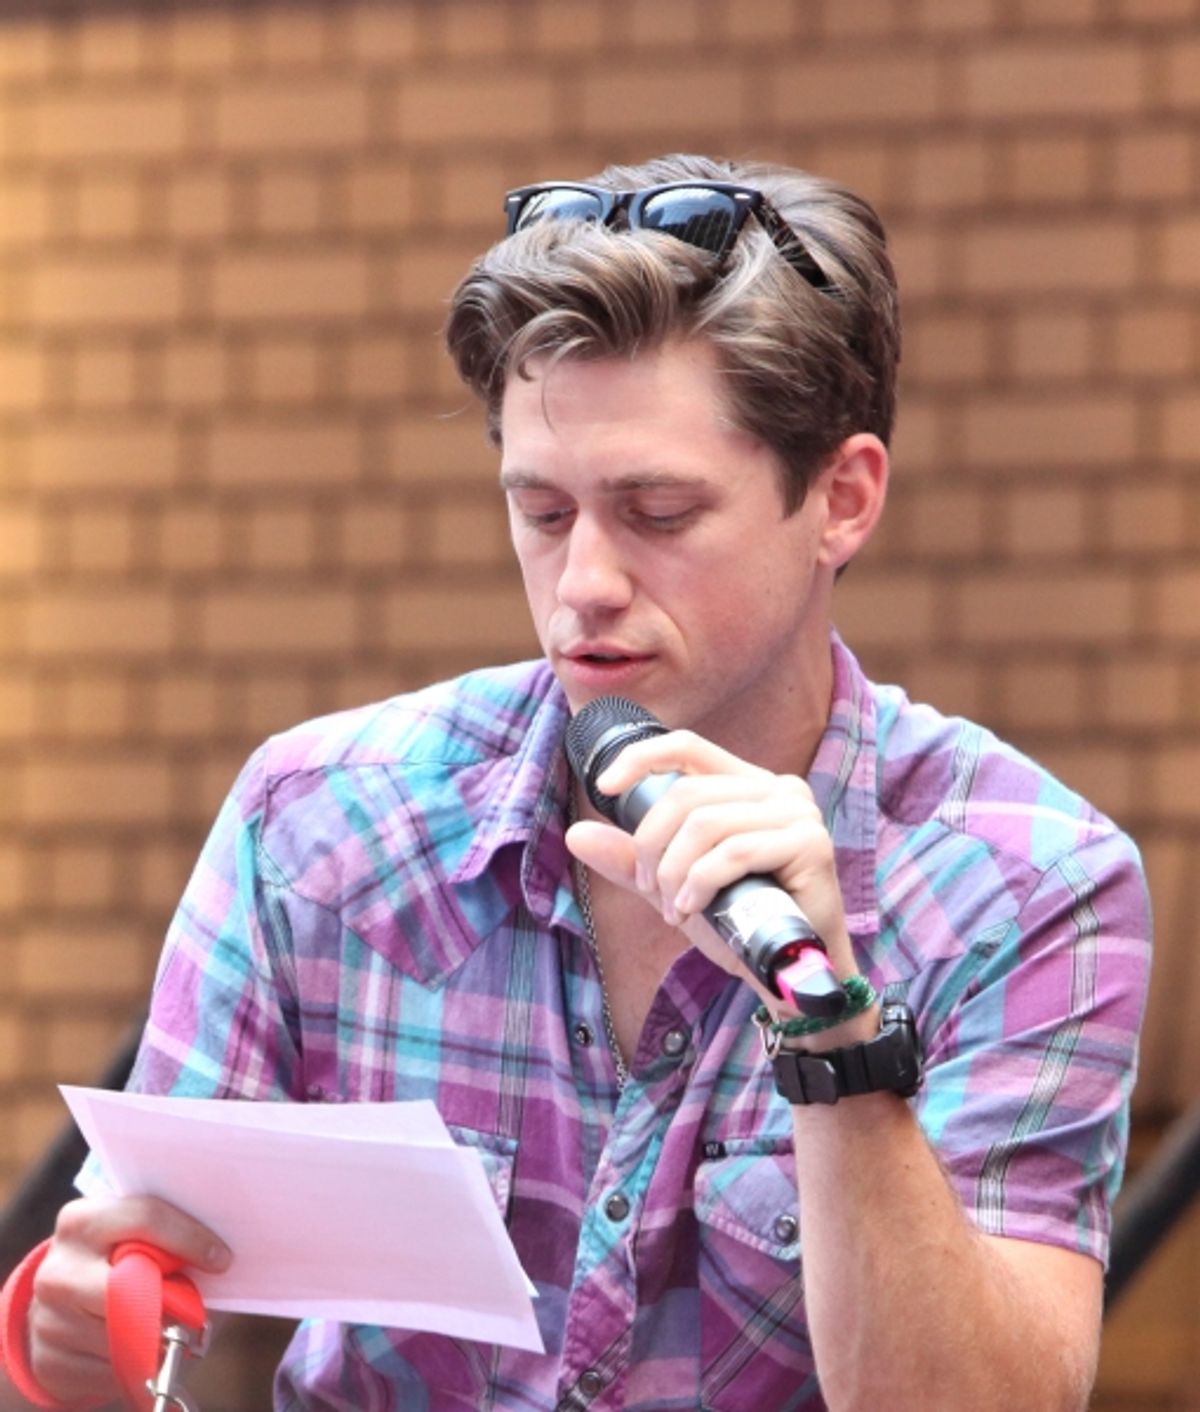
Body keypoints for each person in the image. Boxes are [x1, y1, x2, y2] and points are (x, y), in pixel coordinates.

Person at [1, 153, 1150, 1411]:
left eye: (657, 512)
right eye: (544, 514)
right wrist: (74, 1327)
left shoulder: (1027, 881)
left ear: (842, 498)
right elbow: (124, 1283)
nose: (586, 582)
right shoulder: (322, 818)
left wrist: (832, 1030)